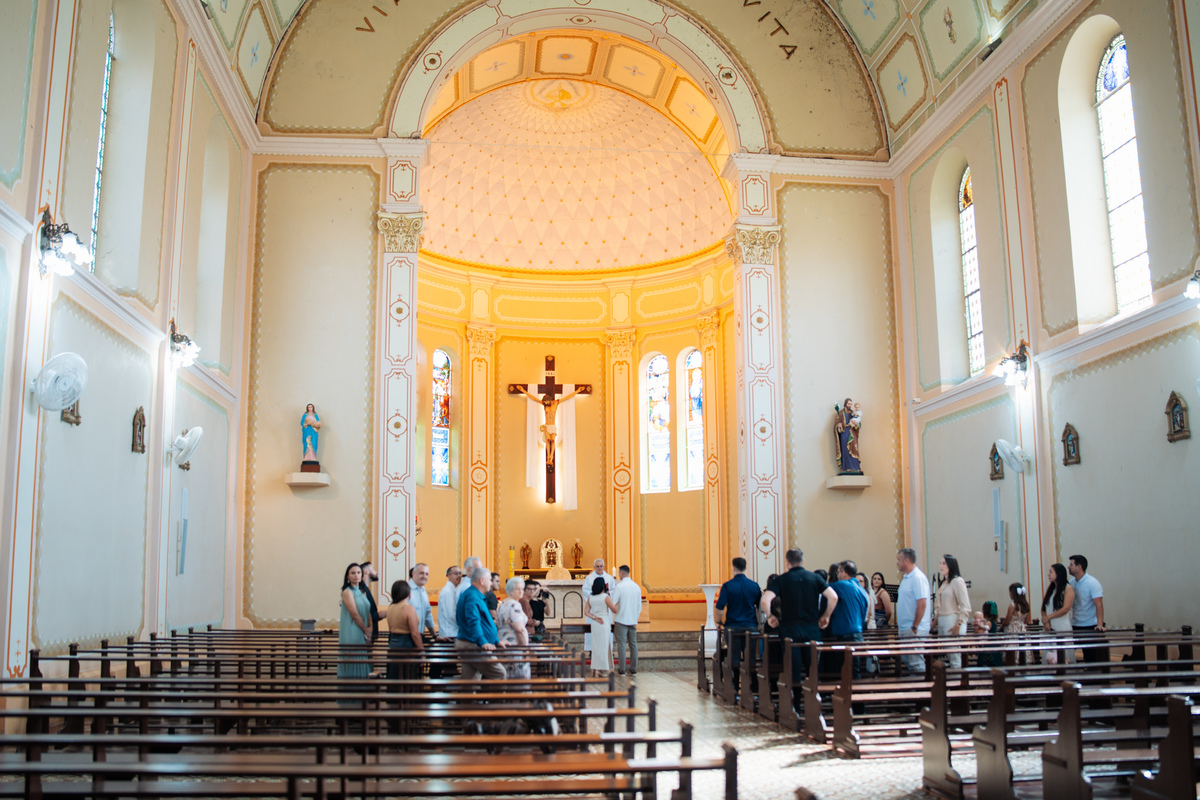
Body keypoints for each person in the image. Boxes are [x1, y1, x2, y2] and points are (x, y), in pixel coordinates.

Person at [760, 548, 837, 689]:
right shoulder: (815, 578)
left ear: (787, 562)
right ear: (803, 561)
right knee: (813, 669)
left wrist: (770, 616)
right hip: (811, 629)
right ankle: (814, 698)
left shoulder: (781, 579)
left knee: (792, 669)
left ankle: (794, 699)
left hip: (790, 629)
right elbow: (833, 597)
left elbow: (765, 600)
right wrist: (825, 616)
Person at [715, 557, 762, 685]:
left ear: (734, 568)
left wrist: (718, 622)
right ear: (745, 568)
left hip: (733, 626)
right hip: (751, 625)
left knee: (734, 657)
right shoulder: (754, 585)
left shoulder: (728, 586)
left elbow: (720, 608)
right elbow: (759, 607)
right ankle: (752, 685)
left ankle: (735, 685)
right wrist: (759, 624)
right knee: (750, 657)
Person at [455, 566, 506, 682]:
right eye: (490, 580)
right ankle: (497, 695)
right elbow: (473, 621)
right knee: (499, 674)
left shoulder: (476, 595)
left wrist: (496, 641)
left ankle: (469, 695)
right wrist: (483, 642)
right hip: (473, 644)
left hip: (472, 643)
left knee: (470, 681)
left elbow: (483, 622)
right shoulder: (472, 596)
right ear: (482, 580)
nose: (491, 583)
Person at [826, 560, 869, 678]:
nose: (837, 575)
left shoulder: (842, 585)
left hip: (846, 635)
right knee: (854, 670)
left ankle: (852, 690)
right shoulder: (862, 589)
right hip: (858, 634)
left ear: (844, 573)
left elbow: (823, 588)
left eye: (838, 572)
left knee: (848, 672)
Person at [896, 548, 932, 673]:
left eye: (899, 559)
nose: (897, 562)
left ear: (906, 560)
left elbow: (922, 603)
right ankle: (914, 683)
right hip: (906, 628)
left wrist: (915, 626)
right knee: (908, 660)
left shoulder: (917, 577)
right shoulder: (906, 578)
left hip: (915, 629)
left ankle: (921, 684)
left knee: (916, 662)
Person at [338, 563, 372, 694]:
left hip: (362, 630)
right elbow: (354, 614)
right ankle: (351, 696)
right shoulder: (347, 592)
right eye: (353, 573)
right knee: (354, 662)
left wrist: (370, 628)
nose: (356, 575)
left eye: (358, 572)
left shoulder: (362, 592)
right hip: (352, 631)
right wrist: (366, 630)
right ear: (348, 576)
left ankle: (362, 695)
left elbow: (368, 612)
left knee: (362, 661)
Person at [934, 554, 971, 668]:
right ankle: (953, 676)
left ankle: (958, 677)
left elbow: (965, 606)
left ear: (951, 565)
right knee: (950, 654)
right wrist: (934, 623)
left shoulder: (957, 581)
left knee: (955, 656)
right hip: (943, 621)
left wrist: (958, 625)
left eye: (944, 563)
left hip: (953, 621)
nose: (941, 566)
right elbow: (939, 607)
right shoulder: (944, 583)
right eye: (940, 563)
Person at [1068, 554, 1106, 663]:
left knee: (1090, 657)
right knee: (1067, 653)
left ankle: (1091, 673)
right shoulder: (1071, 583)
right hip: (1075, 624)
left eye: (1071, 564)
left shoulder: (1092, 583)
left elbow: (1099, 605)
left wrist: (1100, 624)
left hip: (1089, 625)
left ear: (1079, 567)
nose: (1068, 567)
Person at [385, 580, 423, 681]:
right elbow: (415, 633)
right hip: (406, 646)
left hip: (393, 646)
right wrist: (421, 651)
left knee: (394, 677)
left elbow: (391, 630)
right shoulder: (408, 608)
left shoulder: (390, 608)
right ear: (407, 592)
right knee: (407, 677)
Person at [1041, 563, 1076, 665]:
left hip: (1062, 626)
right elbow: (1044, 608)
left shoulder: (1067, 588)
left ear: (1058, 573)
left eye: (1051, 572)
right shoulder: (1051, 589)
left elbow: (1065, 608)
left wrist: (1048, 617)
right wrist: (1046, 621)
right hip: (1049, 628)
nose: (1048, 574)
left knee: (1062, 657)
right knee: (1049, 657)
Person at [610, 565, 643, 675]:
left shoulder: (620, 587)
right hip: (632, 620)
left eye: (619, 573)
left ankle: (622, 669)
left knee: (621, 645)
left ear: (621, 573)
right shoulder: (636, 587)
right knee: (633, 644)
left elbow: (613, 602)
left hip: (621, 619)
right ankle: (634, 668)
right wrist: (635, 617)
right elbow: (639, 606)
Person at [497, 577, 531, 680]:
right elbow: (519, 629)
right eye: (517, 589)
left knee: (507, 675)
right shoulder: (514, 605)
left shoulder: (504, 603)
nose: (521, 592)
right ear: (510, 591)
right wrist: (525, 649)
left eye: (522, 589)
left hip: (504, 641)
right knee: (519, 677)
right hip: (514, 645)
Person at [585, 576, 618, 675]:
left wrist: (594, 617)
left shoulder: (590, 597)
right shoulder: (605, 597)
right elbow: (614, 610)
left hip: (595, 623)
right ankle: (602, 669)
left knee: (596, 646)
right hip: (603, 623)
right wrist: (618, 602)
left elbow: (586, 612)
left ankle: (595, 668)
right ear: (603, 586)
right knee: (603, 646)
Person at [580, 559, 615, 653]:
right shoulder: (589, 578)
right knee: (592, 631)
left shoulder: (609, 578)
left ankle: (607, 651)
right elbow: (585, 590)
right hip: (594, 609)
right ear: (594, 567)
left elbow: (613, 590)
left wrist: (607, 594)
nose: (599, 568)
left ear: (603, 567)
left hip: (605, 609)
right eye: (597, 566)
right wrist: (596, 594)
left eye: (601, 566)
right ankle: (592, 650)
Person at [406, 562, 438, 639]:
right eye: (421, 573)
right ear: (413, 573)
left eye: (427, 574)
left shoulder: (423, 591)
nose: (424, 576)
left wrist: (434, 636)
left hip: (419, 635)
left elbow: (427, 615)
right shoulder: (405, 589)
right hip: (406, 636)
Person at [359, 561, 385, 643]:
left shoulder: (365, 589)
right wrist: (378, 615)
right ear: (366, 571)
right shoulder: (362, 590)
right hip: (366, 635)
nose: (376, 572)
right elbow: (363, 613)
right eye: (373, 568)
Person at [438, 565, 463, 639]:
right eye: (456, 573)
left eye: (460, 573)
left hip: (453, 631)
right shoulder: (448, 592)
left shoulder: (453, 590)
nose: (459, 576)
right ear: (449, 576)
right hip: (449, 633)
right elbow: (451, 614)